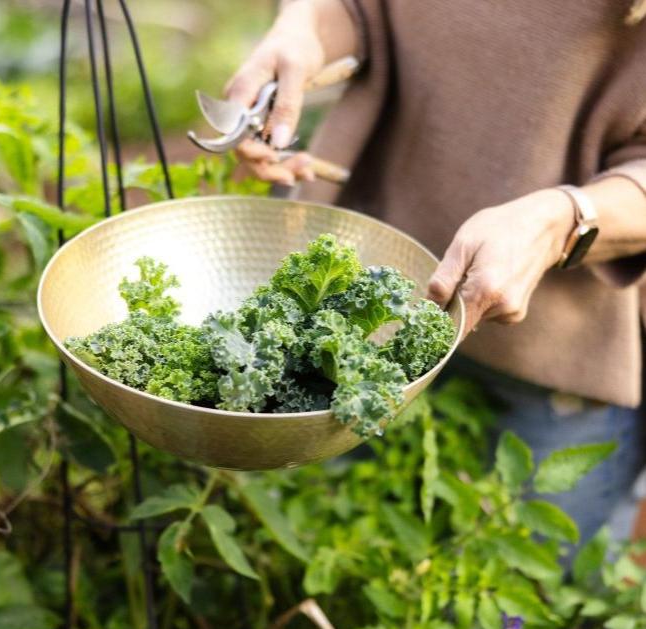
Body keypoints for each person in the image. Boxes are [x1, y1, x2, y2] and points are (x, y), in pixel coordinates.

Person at [223, 0, 646, 541]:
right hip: (363, 296)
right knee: (330, 556)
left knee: (529, 608)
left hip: (552, 355)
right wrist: (303, 31)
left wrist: (561, 220)